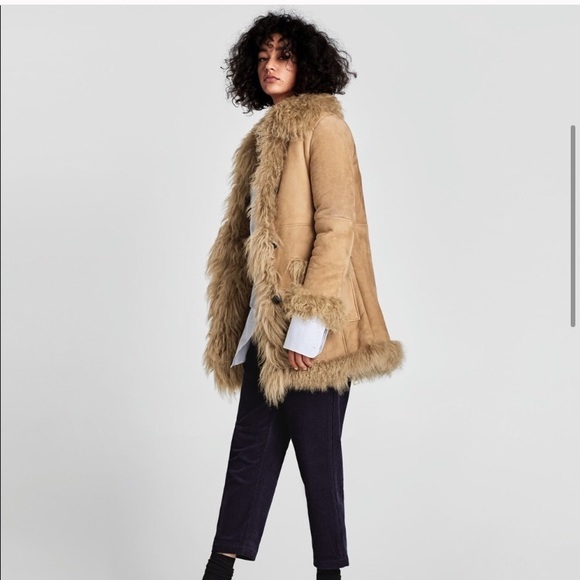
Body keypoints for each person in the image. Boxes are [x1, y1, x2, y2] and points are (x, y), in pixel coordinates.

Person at [201, 11, 404, 580]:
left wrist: (308, 325)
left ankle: (329, 574)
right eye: (263, 56)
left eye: (283, 56)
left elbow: (338, 227)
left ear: (306, 64)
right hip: (268, 331)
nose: (270, 66)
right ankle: (217, 569)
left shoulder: (325, 128)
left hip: (315, 335)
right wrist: (252, 327)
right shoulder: (265, 136)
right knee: (248, 458)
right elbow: (260, 244)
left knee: (319, 464)